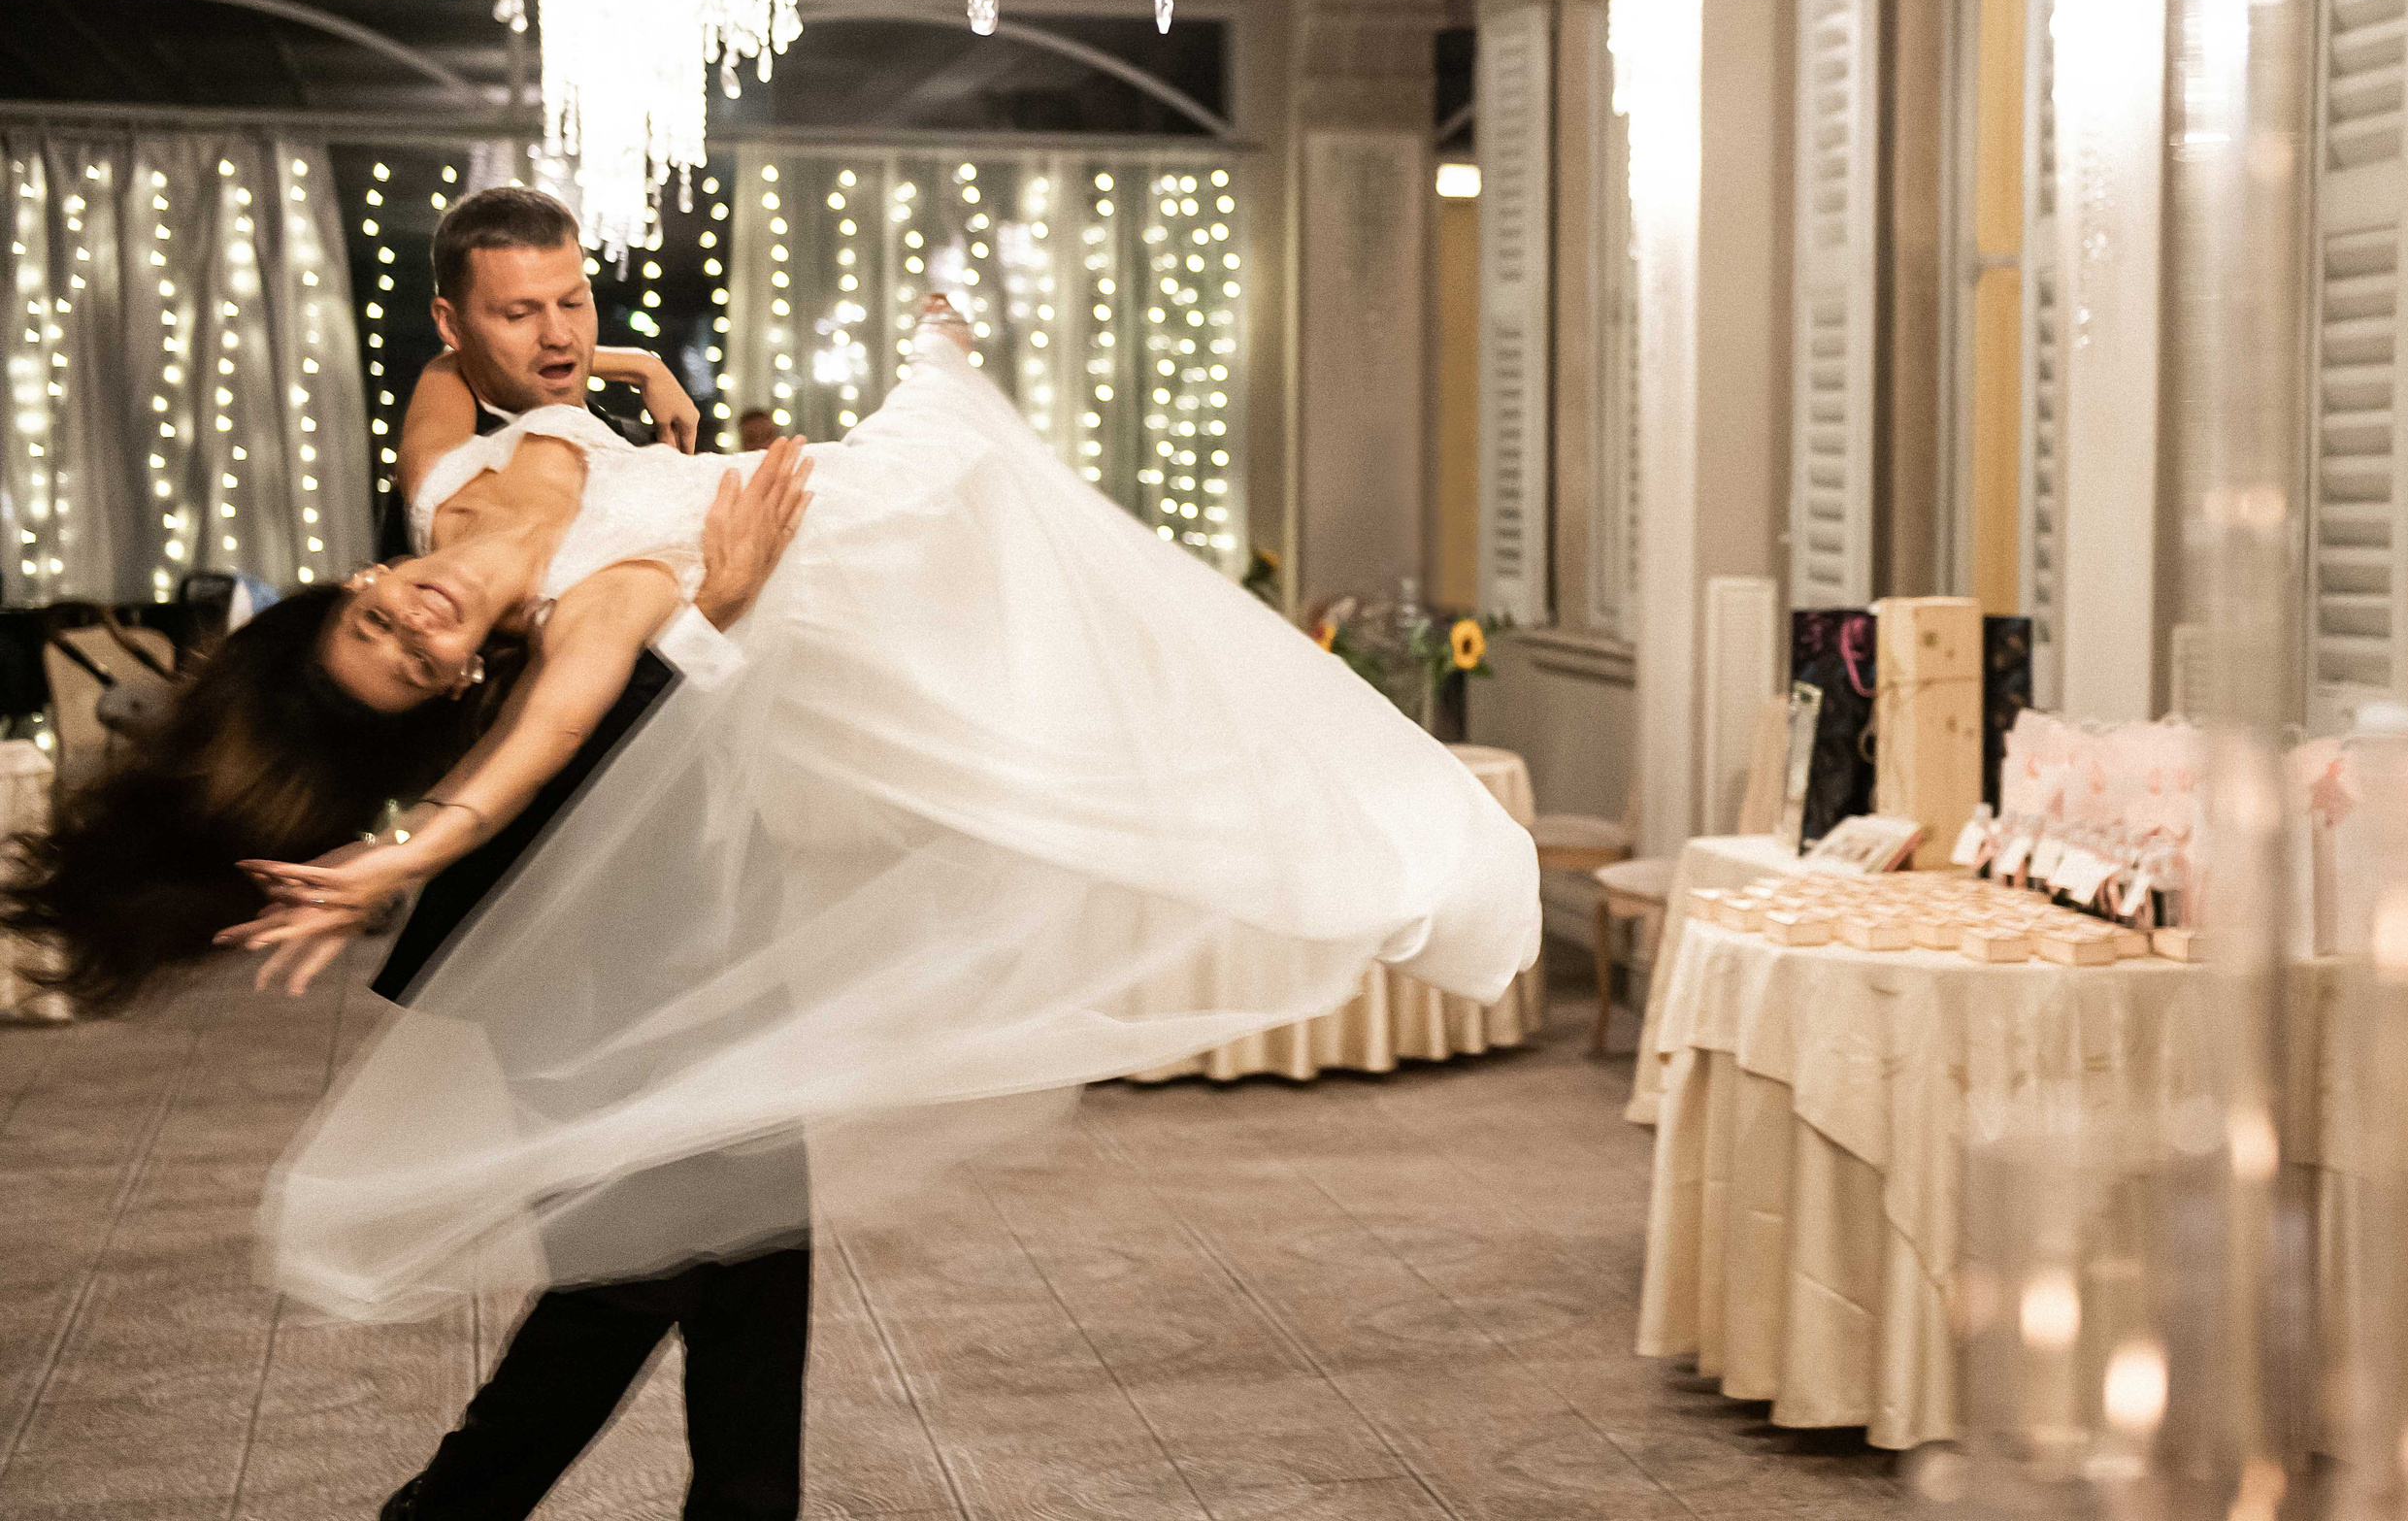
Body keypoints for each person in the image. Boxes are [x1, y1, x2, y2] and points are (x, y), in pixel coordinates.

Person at [10, 242, 1538, 1508]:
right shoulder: (570, 617)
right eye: (406, 659)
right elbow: (526, 770)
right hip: (593, 972)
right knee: (643, 1289)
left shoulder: (443, 490)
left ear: (363, 582)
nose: (419, 630)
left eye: (389, 621)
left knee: (730, 1284)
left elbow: (453, 387)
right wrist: (695, 627)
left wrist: (620, 383)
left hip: (659, 940)